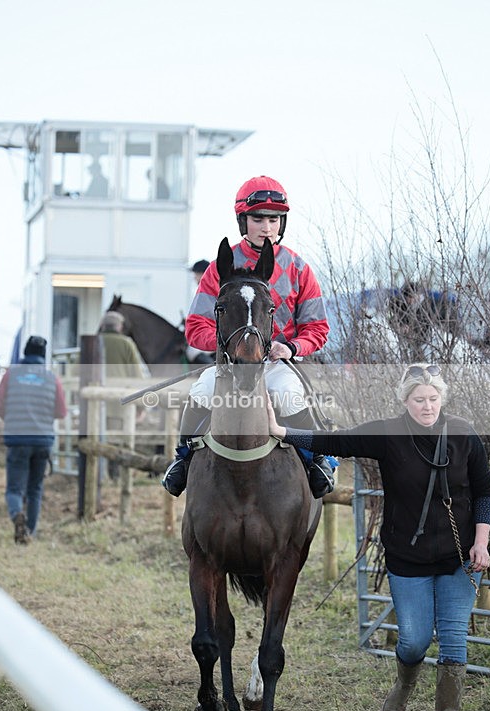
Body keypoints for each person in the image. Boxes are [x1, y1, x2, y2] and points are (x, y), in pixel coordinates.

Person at [267, 363, 490, 711]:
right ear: (405, 401)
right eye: (419, 399)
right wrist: (283, 432)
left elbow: (485, 492)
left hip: (459, 556)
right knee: (414, 640)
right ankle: (404, 684)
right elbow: (336, 441)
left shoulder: (465, 435)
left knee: (453, 636)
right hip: (408, 557)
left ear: (442, 399)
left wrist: (481, 542)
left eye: (433, 399)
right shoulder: (388, 434)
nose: (427, 406)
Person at [162, 174, 334, 499]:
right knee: (201, 390)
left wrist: (291, 347)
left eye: (273, 219)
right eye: (258, 219)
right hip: (230, 364)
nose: (266, 227)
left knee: (288, 393)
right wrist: (233, 346)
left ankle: (316, 461)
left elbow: (318, 329)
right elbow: (196, 328)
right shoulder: (218, 269)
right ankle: (182, 460)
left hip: (277, 364)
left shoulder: (299, 269)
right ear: (244, 220)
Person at [0, 336, 67, 544]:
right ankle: (30, 533)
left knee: (14, 489)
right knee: (35, 489)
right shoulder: (52, 378)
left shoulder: (11, 374)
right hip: (42, 440)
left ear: (25, 352)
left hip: (17, 439)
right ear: (43, 355)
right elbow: (61, 411)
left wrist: (12, 417)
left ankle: (17, 515)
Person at [98, 311, 146, 479]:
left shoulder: (93, 342)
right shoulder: (126, 343)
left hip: (95, 403)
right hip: (120, 404)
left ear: (103, 326)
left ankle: (101, 474)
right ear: (119, 327)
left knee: (98, 439)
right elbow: (136, 375)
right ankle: (116, 475)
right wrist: (141, 404)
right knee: (119, 441)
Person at [184, 259, 214, 365]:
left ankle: (212, 368)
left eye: (196, 274)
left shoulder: (211, 290)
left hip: (213, 332)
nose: (194, 278)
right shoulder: (202, 291)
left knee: (192, 351)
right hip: (209, 331)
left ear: (203, 274)